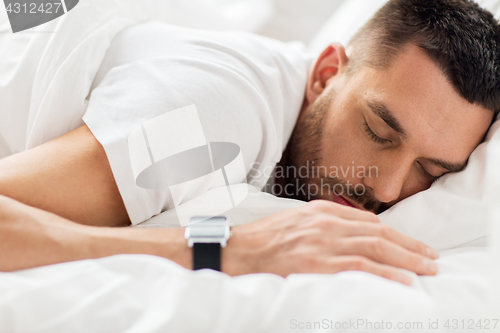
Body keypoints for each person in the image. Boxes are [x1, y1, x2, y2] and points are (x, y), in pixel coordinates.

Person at [0, 0, 498, 286]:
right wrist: (222, 251)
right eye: (378, 133)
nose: (388, 190)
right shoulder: (208, 115)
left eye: (430, 172)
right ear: (326, 76)